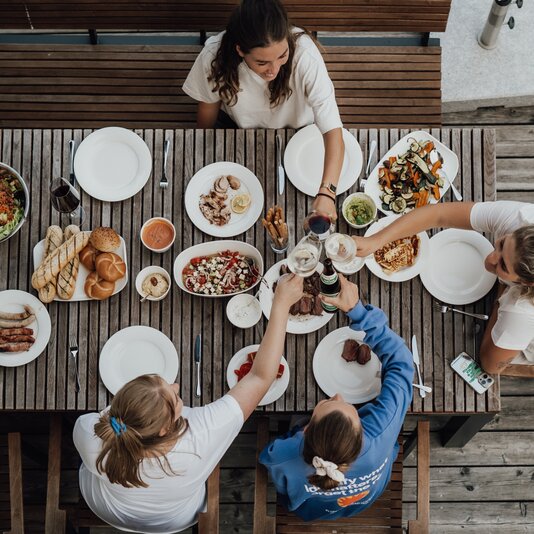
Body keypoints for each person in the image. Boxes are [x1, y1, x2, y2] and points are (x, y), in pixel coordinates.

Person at [72, 274, 303, 533]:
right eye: (175, 397)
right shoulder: (200, 438)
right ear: (163, 430)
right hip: (175, 520)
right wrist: (281, 304)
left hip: (105, 507)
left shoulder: (90, 434)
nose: (176, 386)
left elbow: (94, 423)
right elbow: (261, 377)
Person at [260, 275, 413, 521]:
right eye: (350, 406)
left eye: (330, 401)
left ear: (306, 431)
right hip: (364, 500)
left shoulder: (284, 455)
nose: (339, 395)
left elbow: (268, 456)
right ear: (363, 432)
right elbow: (402, 363)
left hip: (311, 510)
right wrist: (359, 312)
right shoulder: (381, 431)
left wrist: (293, 434)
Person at [182, 0, 345, 216]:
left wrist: (327, 193)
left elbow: (332, 127)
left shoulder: (305, 54)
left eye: (282, 56)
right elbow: (208, 108)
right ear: (240, 50)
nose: (274, 70)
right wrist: (202, 151)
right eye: (262, 63)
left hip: (299, 132)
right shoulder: (214, 55)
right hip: (237, 130)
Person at [353, 201, 534, 374]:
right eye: (501, 244)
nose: (490, 259)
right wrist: (376, 241)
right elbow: (439, 214)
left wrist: (502, 297)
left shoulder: (520, 311)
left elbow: (491, 365)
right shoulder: (519, 218)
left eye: (503, 265)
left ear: (526, 283)